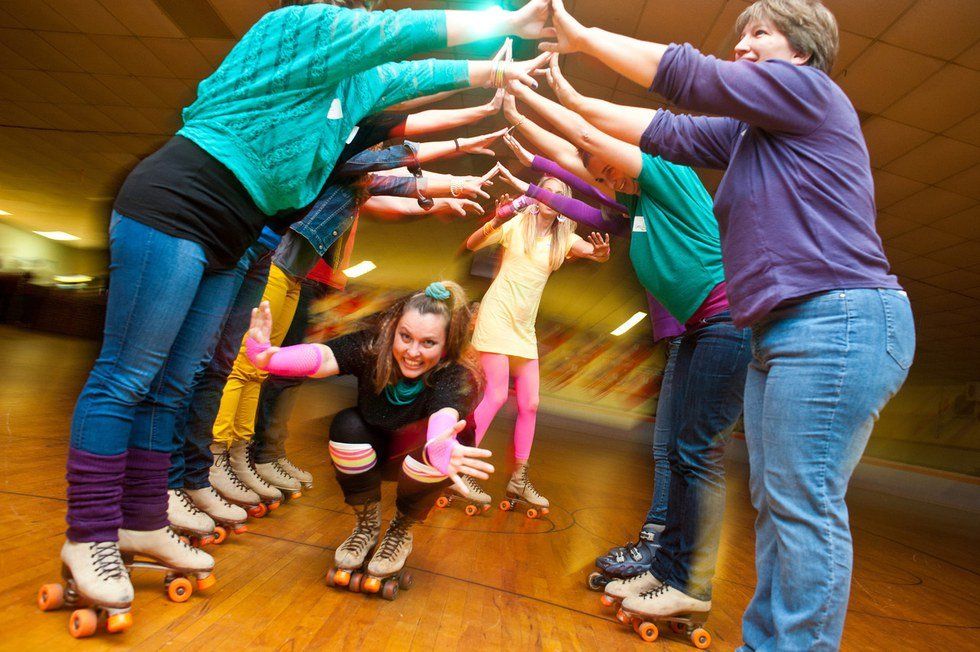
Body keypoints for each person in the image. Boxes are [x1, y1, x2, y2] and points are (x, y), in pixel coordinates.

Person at [60, 0, 551, 617]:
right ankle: (90, 535)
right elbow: (395, 34)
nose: (369, 19)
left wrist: (491, 73)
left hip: (237, 230)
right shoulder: (297, 28)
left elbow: (412, 72)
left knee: (173, 384)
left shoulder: (355, 82)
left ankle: (140, 518)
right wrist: (502, 22)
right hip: (181, 201)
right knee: (128, 377)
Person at [543, 0, 915, 648]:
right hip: (785, 331)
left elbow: (689, 76)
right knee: (780, 505)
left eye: (759, 34)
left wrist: (581, 36)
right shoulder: (750, 140)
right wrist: (559, 87)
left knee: (802, 507)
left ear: (801, 50)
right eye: (739, 35)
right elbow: (655, 130)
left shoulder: (809, 93)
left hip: (839, 320)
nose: (743, 44)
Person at [502, 77, 752, 630]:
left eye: (610, 163)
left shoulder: (666, 169)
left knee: (694, 455)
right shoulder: (641, 202)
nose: (604, 175)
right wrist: (520, 125)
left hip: (726, 320)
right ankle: (668, 569)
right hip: (700, 327)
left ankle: (690, 584)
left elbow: (584, 135)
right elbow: (579, 170)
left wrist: (540, 92)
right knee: (682, 454)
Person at [245, 282, 492, 587]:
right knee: (346, 425)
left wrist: (441, 448)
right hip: (378, 450)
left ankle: (400, 529)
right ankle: (366, 526)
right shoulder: (374, 347)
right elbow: (322, 358)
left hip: (428, 458)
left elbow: (444, 416)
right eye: (405, 337)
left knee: (433, 447)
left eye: (428, 343)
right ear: (394, 330)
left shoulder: (457, 373)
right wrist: (267, 358)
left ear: (445, 345)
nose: (412, 352)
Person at [461, 174, 611, 514]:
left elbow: (594, 254)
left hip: (523, 329)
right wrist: (496, 219)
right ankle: (460, 465)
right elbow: (472, 244)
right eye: (544, 189)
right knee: (497, 394)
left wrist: (601, 254)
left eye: (558, 194)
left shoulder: (564, 239)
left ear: (563, 206)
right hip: (496, 316)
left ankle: (518, 478)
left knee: (530, 403)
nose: (549, 196)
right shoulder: (515, 225)